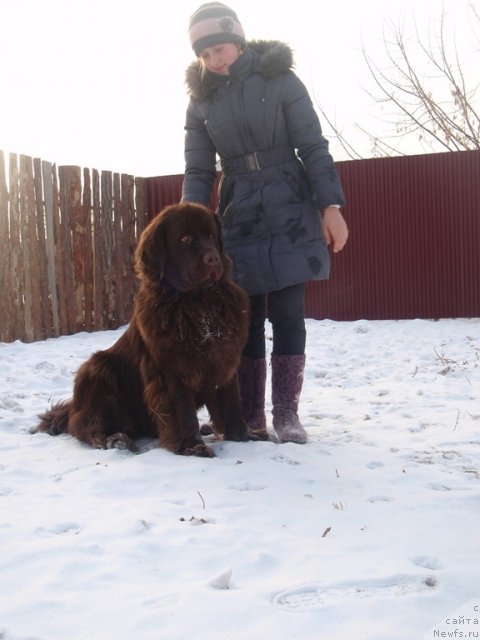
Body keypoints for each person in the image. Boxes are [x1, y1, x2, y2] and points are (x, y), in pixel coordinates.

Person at [181, 2, 348, 444]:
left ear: (237, 38)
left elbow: (312, 144)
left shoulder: (280, 79)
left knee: (289, 313)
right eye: (206, 54)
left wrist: (331, 206)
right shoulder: (200, 102)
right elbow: (198, 171)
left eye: (220, 48)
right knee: (247, 318)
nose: (215, 60)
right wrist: (191, 227)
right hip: (239, 210)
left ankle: (287, 416)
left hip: (290, 201)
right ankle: (251, 415)